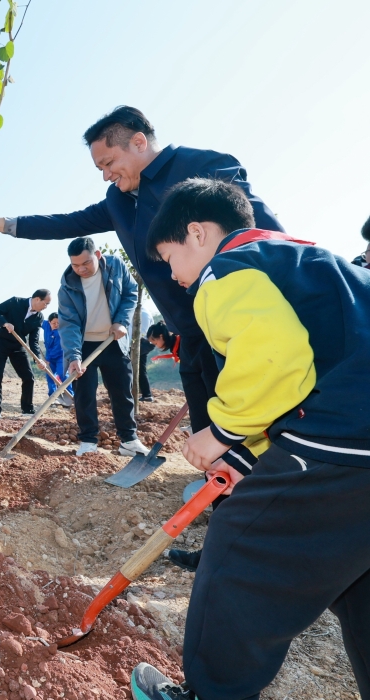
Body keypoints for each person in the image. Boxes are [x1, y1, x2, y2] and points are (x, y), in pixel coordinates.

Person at [130, 177, 370, 700]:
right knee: (355, 578)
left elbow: (275, 361)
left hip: (345, 439)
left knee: (239, 551)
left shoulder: (225, 271)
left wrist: (220, 432)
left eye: (168, 258)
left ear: (197, 233)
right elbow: (306, 380)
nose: (171, 274)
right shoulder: (298, 258)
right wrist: (244, 456)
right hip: (355, 438)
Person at [0, 106, 283, 436]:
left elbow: (267, 234)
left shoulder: (201, 166)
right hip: (190, 333)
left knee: (258, 429)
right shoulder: (119, 201)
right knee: (209, 429)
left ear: (139, 143)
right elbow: (67, 223)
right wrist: (1, 225)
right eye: (100, 168)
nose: (106, 175)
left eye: (108, 163)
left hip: (237, 327)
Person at [58, 237, 149, 457]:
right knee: (84, 395)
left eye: (86, 263)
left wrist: (122, 321)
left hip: (113, 341)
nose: (81, 269)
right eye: (75, 265)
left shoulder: (116, 266)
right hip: (84, 345)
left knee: (122, 392)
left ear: (97, 255)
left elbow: (130, 293)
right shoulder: (67, 286)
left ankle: (129, 440)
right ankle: (88, 441)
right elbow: (69, 324)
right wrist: (74, 356)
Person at [0, 290, 52, 418]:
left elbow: (33, 341)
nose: (46, 307)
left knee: (28, 377)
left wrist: (38, 359)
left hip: (18, 345)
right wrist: (5, 323)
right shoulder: (15, 302)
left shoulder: (39, 317)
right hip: (1, 342)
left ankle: (27, 408)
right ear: (37, 299)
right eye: (46, 303)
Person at [41, 312, 73, 402]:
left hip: (60, 356)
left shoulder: (61, 332)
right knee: (50, 375)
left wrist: (48, 359)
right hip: (49, 356)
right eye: (54, 323)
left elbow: (57, 348)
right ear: (49, 322)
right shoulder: (46, 325)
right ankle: (53, 397)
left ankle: (70, 395)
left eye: (58, 323)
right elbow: (36, 320)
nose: (56, 325)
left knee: (62, 374)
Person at [137, 308, 154, 402]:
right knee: (140, 368)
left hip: (143, 343)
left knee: (126, 364)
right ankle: (146, 395)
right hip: (142, 342)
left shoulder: (143, 313)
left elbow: (142, 334)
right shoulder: (141, 311)